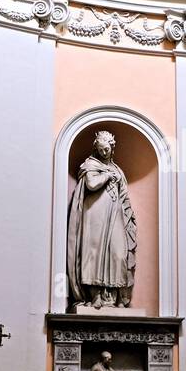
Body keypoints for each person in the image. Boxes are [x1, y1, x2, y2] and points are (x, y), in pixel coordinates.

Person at [66, 131, 137, 310]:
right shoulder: (90, 164)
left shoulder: (118, 169)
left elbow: (124, 194)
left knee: (118, 253)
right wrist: (106, 176)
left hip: (115, 215)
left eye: (107, 149)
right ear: (96, 149)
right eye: (100, 150)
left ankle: (118, 297)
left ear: (112, 148)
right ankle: (96, 296)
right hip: (95, 215)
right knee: (94, 254)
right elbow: (91, 184)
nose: (104, 153)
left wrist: (127, 214)